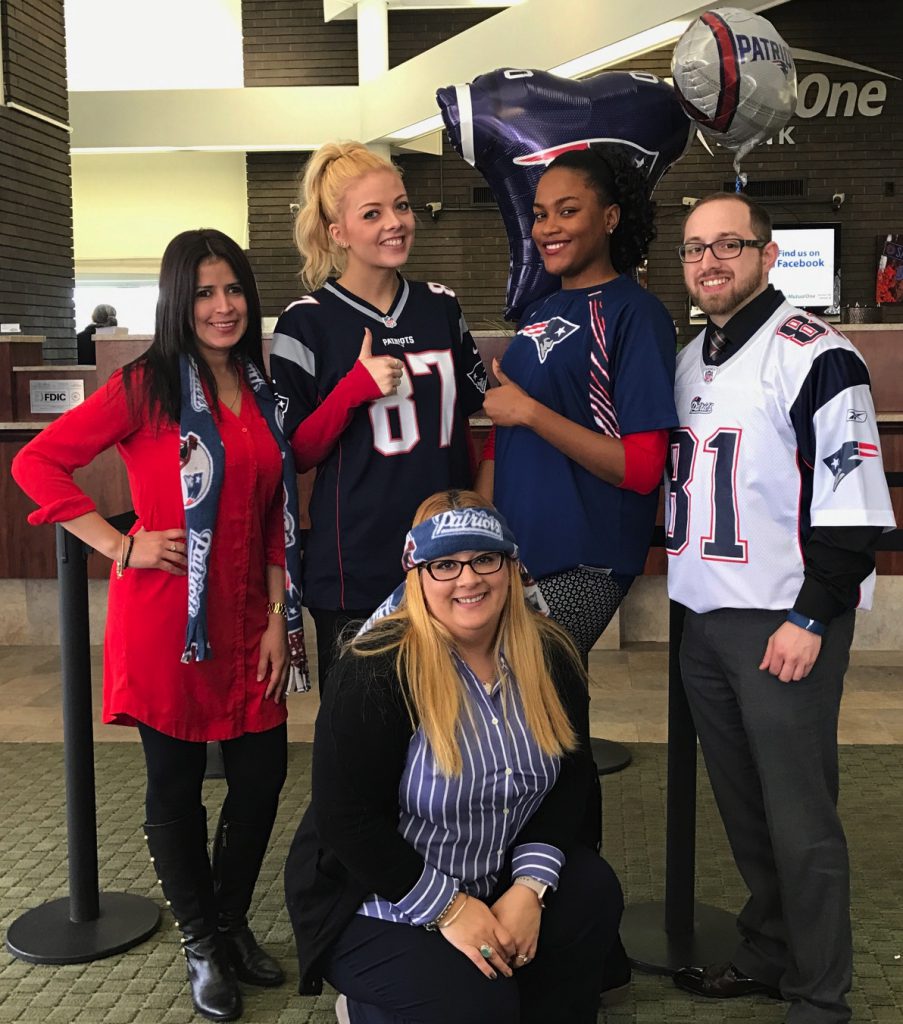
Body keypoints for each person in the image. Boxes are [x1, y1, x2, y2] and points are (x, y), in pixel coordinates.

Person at [13, 229, 311, 1023]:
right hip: (168, 622)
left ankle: (231, 916)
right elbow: (35, 462)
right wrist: (120, 543)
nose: (222, 306)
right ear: (180, 300)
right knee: (175, 790)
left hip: (250, 618)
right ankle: (202, 942)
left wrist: (282, 617)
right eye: (205, 292)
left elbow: (275, 511)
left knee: (261, 780)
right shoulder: (146, 385)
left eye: (234, 290)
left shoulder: (261, 382)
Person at [666, 193, 895, 1023]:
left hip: (782, 623)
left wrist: (811, 615)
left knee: (800, 818)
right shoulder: (690, 357)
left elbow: (852, 506)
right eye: (694, 249)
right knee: (744, 807)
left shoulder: (815, 354)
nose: (710, 261)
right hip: (703, 620)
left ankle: (821, 993)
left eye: (729, 244)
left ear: (766, 255)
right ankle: (768, 949)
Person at [284, 489, 624, 1024]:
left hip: (495, 870)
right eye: (445, 564)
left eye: (484, 558)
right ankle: (371, 1005)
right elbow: (346, 822)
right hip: (380, 895)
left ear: (511, 567)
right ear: (417, 577)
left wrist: (528, 890)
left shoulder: (552, 653)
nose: (468, 579)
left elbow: (570, 777)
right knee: (476, 1004)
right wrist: (452, 908)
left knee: (593, 894)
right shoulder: (375, 668)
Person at [268, 141, 487, 692]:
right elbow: (294, 454)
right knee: (361, 743)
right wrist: (355, 390)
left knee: (449, 737)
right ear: (337, 231)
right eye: (373, 213)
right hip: (356, 565)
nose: (396, 223)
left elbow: (481, 410)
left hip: (449, 558)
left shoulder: (441, 305)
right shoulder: (307, 323)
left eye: (402, 206)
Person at [477, 149, 677, 661]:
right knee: (529, 717)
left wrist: (530, 413)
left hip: (584, 557)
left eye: (568, 211)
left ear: (610, 218)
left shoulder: (637, 313)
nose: (548, 227)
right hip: (516, 550)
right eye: (541, 214)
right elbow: (506, 434)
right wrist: (481, 527)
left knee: (531, 690)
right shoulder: (539, 309)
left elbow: (642, 467)